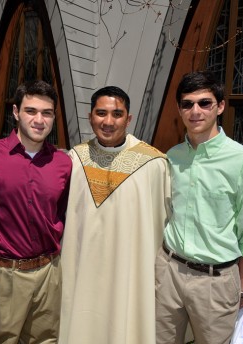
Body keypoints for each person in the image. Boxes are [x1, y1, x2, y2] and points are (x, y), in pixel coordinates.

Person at [155, 71, 243, 344]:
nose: (195, 111)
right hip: (168, 272)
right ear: (179, 109)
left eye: (204, 103)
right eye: (187, 103)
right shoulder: (171, 157)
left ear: (220, 106)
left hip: (215, 282)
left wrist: (241, 288)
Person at [59, 86, 171, 344]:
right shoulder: (75, 159)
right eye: (101, 113)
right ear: (90, 116)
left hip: (129, 274)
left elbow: (177, 215)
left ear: (128, 119)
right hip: (82, 272)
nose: (108, 122)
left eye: (117, 114)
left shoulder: (153, 164)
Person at [0, 80, 71, 343]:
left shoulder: (63, 163)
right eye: (31, 111)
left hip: (49, 272)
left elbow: (62, 213)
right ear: (16, 112)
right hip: (6, 275)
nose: (39, 120)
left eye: (47, 113)